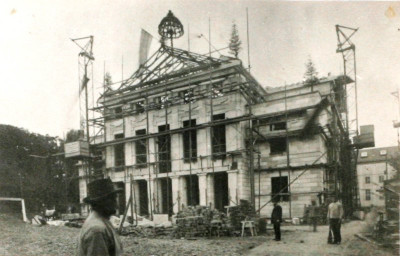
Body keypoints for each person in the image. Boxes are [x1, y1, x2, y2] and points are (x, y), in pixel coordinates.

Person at [77, 178, 123, 256]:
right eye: (112, 199)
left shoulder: (102, 221)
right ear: (100, 202)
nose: (116, 203)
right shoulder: (97, 230)